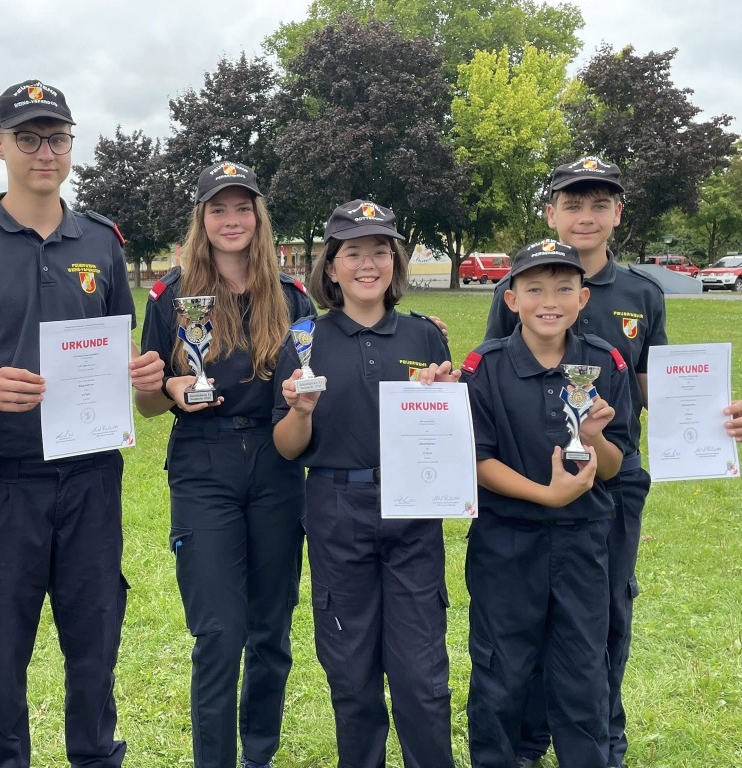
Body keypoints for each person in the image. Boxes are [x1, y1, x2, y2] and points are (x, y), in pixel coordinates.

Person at [0, 79, 164, 768]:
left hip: (90, 480)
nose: (43, 151)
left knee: (95, 648)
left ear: (71, 146)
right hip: (3, 483)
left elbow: (115, 354)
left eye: (56, 137)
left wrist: (138, 376)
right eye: (27, 137)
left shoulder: (102, 242)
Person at [483, 157, 667, 768]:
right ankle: (526, 744)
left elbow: (654, 388)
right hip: (520, 504)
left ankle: (599, 746)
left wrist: (713, 415)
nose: (585, 216)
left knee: (597, 630)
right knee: (515, 644)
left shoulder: (642, 294)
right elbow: (492, 389)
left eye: (598, 205)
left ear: (617, 213)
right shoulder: (500, 331)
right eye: (572, 203)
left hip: (606, 494)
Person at [135, 161, 314, 768]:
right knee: (217, 634)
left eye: (243, 208)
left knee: (271, 630)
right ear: (202, 218)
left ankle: (258, 754)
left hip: (277, 461)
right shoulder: (169, 294)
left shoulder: (291, 296)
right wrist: (166, 392)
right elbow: (149, 402)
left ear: (258, 217)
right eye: (219, 209)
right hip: (203, 463)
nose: (231, 220)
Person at [271, 200, 456, 768]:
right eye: (353, 252)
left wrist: (437, 396)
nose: (368, 264)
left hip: (413, 509)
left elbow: (450, 439)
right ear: (331, 267)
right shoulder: (303, 339)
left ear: (396, 261)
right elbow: (286, 447)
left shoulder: (425, 337)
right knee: (350, 671)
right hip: (335, 507)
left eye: (380, 251)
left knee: (421, 674)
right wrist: (300, 410)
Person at [463, 239, 633, 768]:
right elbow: (477, 461)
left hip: (583, 540)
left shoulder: (605, 362)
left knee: (583, 669)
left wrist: (595, 436)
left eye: (564, 288)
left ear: (583, 298)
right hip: (507, 541)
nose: (549, 300)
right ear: (511, 299)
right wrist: (545, 493)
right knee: (501, 670)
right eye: (534, 288)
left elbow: (613, 465)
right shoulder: (484, 367)